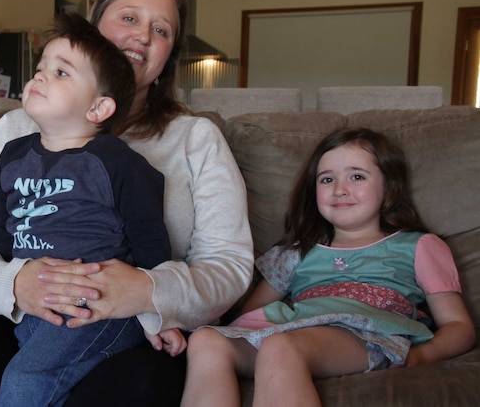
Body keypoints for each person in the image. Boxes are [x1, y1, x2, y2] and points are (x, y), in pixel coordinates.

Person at [0, 0, 254, 407]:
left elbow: (228, 266)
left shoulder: (195, 139)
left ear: (169, 55)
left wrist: (147, 291)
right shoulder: (18, 130)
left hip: (131, 325)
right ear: (94, 27)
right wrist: (11, 283)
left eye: (160, 29)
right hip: (22, 312)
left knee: (136, 384)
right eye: (129, 18)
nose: (142, 37)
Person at [0, 13, 186, 407]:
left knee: (26, 380)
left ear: (98, 108)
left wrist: (154, 316)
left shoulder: (117, 163)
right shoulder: (12, 155)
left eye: (61, 73)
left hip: (94, 307)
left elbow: (150, 243)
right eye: (42, 67)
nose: (40, 76)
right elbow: (2, 230)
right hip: (35, 307)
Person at [180, 127, 476, 407]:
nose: (340, 189)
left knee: (280, 346)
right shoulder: (297, 252)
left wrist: (424, 356)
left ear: (389, 188)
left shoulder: (418, 245)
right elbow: (248, 318)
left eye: (357, 177)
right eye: (327, 179)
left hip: (367, 336)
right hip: (291, 334)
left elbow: (459, 327)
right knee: (207, 341)